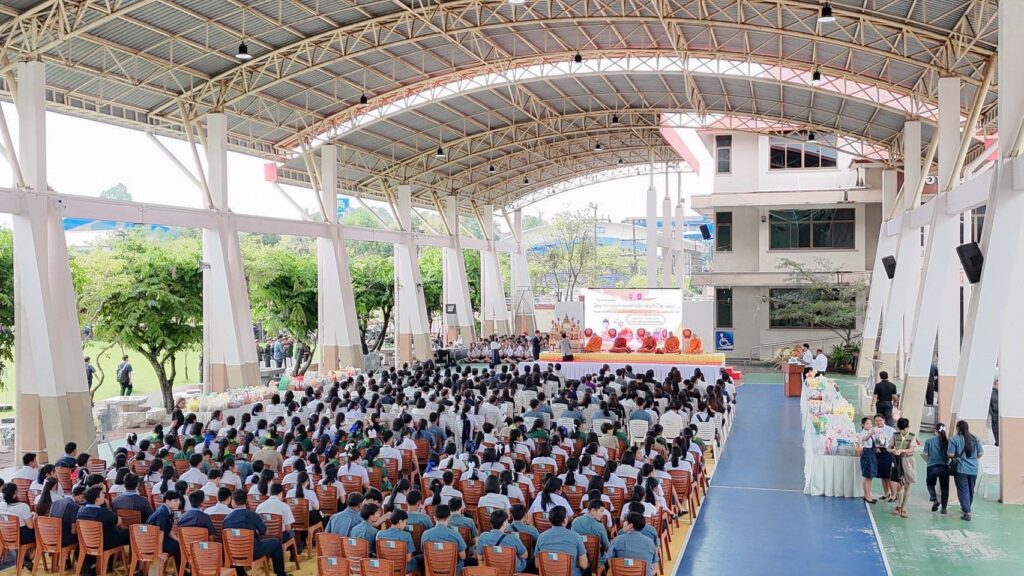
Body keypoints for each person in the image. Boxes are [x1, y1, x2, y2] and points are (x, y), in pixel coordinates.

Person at [223, 489, 288, 576]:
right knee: (276, 542)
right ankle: (281, 574)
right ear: (246, 501)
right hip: (253, 552)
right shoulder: (252, 515)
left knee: (237, 549)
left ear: (233, 502)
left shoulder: (227, 519)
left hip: (233, 553)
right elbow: (265, 531)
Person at [533, 506, 587, 576]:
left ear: (550, 520)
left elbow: (537, 565)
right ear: (565, 520)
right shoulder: (576, 536)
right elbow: (584, 565)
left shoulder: (541, 537)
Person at [948, 420, 984, 521]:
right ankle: (967, 507)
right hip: (973, 469)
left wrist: (956, 457)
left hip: (961, 469)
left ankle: (967, 512)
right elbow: (980, 454)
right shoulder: (975, 439)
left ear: (957, 428)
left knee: (963, 490)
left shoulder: (954, 439)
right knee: (971, 490)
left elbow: (950, 454)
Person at [421, 505, 468, 574]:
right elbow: (463, 556)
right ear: (449, 518)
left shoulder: (425, 534)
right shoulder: (455, 534)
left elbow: (423, 552)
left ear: (434, 518)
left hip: (432, 570)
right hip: (453, 571)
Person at [146, 491, 184, 566]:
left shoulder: (168, 510)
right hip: (151, 541)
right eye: (175, 500)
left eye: (178, 500)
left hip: (158, 538)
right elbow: (160, 533)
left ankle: (181, 568)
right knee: (176, 546)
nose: (178, 502)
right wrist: (160, 553)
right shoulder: (163, 512)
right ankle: (181, 570)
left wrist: (177, 539)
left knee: (179, 543)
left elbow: (169, 529)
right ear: (167, 501)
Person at [377, 509, 419, 574]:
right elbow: (408, 559)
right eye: (405, 522)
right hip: (403, 568)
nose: (405, 525)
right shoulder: (407, 535)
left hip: (385, 567)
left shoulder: (380, 534)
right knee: (417, 560)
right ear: (400, 521)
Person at [891, 417, 918, 518]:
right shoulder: (894, 436)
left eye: (904, 429)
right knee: (899, 485)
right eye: (900, 429)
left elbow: (912, 449)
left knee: (907, 485)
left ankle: (904, 508)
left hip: (908, 461)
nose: (902, 431)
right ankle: (899, 505)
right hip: (897, 461)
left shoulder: (912, 436)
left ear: (908, 427)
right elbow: (889, 447)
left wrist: (901, 450)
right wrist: (893, 450)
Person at [921, 423, 950, 514]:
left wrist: (928, 461)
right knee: (944, 488)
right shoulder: (948, 442)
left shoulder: (929, 441)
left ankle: (934, 498)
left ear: (935, 430)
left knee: (930, 484)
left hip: (932, 466)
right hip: (944, 467)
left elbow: (925, 454)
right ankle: (944, 508)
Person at [857, 417, 877, 504]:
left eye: (870, 423)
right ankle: (866, 496)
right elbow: (864, 439)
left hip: (872, 453)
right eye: (867, 423)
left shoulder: (871, 433)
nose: (870, 425)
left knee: (870, 476)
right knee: (867, 476)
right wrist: (871, 434)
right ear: (863, 425)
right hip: (866, 453)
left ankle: (869, 495)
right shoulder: (861, 433)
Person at [989, 379, 999, 447]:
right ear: (995, 385)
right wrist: (992, 413)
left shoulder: (1004, 393)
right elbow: (989, 405)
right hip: (994, 413)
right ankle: (997, 441)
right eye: (997, 384)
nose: (998, 386)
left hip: (1001, 414)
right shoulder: (992, 393)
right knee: (995, 428)